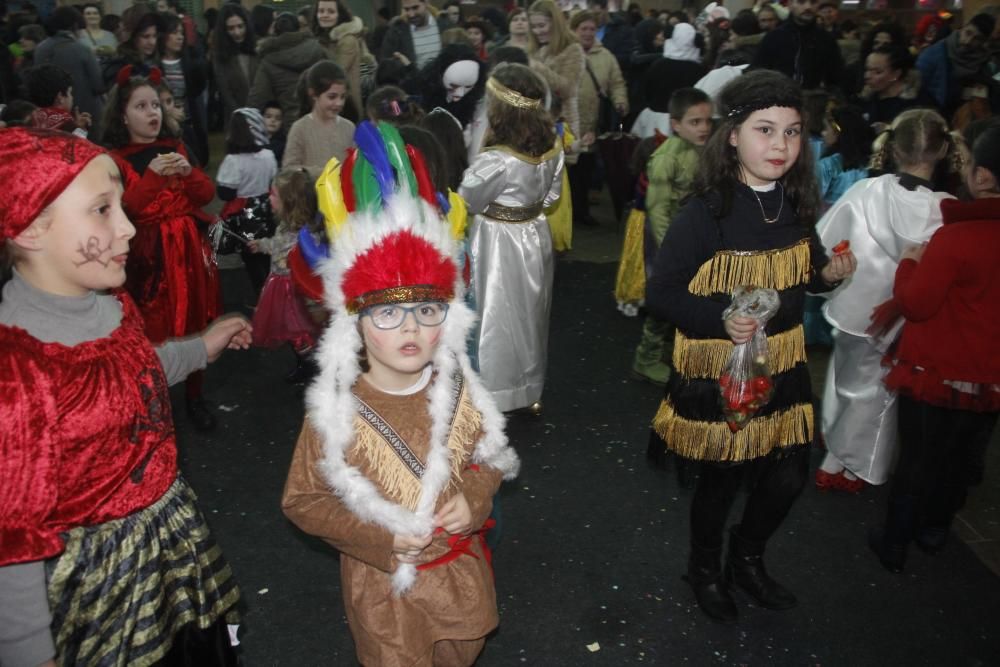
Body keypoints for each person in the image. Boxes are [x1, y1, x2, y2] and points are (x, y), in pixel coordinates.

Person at [0, 126, 249, 667]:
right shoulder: (16, 372)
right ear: (30, 227)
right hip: (99, 588)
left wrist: (201, 348)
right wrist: (27, 653)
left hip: (166, 548)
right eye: (102, 210)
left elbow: (134, 371)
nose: (128, 227)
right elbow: (11, 540)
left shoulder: (113, 304)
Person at [281, 125, 519, 665]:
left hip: (460, 580)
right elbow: (303, 501)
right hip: (386, 592)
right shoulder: (334, 415)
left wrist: (476, 498)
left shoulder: (461, 392)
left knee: (462, 652)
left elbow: (491, 458)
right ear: (354, 324)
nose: (410, 329)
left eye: (427, 311)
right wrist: (379, 538)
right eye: (388, 313)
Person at [645, 70, 856, 623]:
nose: (780, 145)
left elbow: (803, 275)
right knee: (722, 479)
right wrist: (720, 321)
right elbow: (661, 292)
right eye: (765, 130)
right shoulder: (704, 213)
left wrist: (829, 275)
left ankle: (747, 558)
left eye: (791, 132)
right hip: (719, 371)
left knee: (787, 475)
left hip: (783, 363)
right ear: (733, 135)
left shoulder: (793, 202)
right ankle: (705, 568)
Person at [869, 126, 1000, 573]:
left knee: (919, 458)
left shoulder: (954, 237)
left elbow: (916, 304)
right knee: (961, 458)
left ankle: (894, 540)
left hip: (935, 367)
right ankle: (935, 529)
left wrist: (908, 261)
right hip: (990, 376)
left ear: (981, 176)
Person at [816, 109, 958, 493]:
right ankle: (860, 465)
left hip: (853, 306)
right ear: (944, 149)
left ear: (892, 148)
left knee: (845, 375)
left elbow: (825, 240)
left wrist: (827, 279)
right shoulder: (945, 209)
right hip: (902, 315)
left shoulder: (865, 191)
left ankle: (835, 448)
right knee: (881, 389)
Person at [101, 69, 224, 432]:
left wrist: (189, 173)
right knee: (154, 326)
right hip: (148, 254)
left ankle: (195, 396)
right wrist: (154, 176)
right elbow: (128, 210)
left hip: (189, 248)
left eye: (155, 104)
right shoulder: (115, 159)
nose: (152, 112)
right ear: (123, 115)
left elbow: (204, 195)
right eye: (141, 106)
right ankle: (156, 401)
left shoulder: (176, 147)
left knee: (195, 321)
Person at [459, 63, 563, 413]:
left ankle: (492, 392)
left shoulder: (495, 160)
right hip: (535, 235)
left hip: (496, 242)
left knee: (496, 314)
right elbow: (551, 198)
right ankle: (529, 389)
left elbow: (467, 201)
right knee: (532, 314)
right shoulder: (552, 147)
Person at [631, 87, 712, 387]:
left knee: (689, 294)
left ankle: (670, 348)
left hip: (691, 235)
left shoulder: (702, 150)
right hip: (667, 238)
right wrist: (670, 250)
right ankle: (646, 358)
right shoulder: (667, 157)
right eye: (695, 122)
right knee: (666, 297)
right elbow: (657, 208)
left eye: (706, 121)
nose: (703, 128)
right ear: (676, 124)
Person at [247, 166, 319, 382]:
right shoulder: (286, 227)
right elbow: (277, 245)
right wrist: (261, 245)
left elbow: (291, 253)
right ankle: (304, 364)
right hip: (281, 287)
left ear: (289, 201)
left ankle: (313, 369)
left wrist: (266, 246)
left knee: (301, 333)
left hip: (294, 292)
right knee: (293, 333)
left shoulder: (304, 234)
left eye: (274, 194)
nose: (270, 198)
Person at [571, 10, 628, 227]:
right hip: (566, 124)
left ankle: (581, 211)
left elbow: (617, 83)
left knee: (585, 170)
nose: (587, 33)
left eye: (592, 29)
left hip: (592, 124)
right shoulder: (564, 54)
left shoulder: (606, 56)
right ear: (573, 30)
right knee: (566, 172)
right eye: (583, 28)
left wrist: (620, 101)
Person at [216, 107, 279, 296]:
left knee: (250, 255)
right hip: (266, 210)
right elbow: (273, 180)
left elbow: (225, 193)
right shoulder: (268, 155)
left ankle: (259, 292)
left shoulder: (232, 160)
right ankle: (273, 288)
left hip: (244, 214)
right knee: (267, 252)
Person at [33, 6, 104, 136]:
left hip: (49, 117)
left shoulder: (40, 49)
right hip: (84, 114)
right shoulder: (82, 49)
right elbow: (98, 85)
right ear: (75, 25)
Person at [527, 0, 584, 156]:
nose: (537, 31)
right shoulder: (534, 50)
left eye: (542, 25)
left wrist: (537, 67)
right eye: (533, 27)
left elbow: (568, 89)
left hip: (562, 128)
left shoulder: (573, 49)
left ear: (555, 23)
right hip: (535, 128)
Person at [248, 12, 325, 125]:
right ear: (299, 29)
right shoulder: (318, 49)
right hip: (321, 117)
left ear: (275, 32)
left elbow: (257, 98)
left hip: (292, 122)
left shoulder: (269, 60)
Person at [916, 13, 996, 119]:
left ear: (983, 42)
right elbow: (916, 91)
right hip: (936, 117)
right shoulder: (932, 55)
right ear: (963, 28)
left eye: (977, 39)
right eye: (968, 33)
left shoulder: (984, 61)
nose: (968, 41)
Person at [283, 59, 356, 174]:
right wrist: (322, 173)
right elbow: (289, 169)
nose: (339, 103)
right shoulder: (300, 128)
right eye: (332, 97)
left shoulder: (349, 127)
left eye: (342, 97)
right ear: (313, 94)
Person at [753, 0, 843, 90]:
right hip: (777, 98)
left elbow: (837, 78)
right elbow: (757, 74)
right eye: (801, 1)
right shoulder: (773, 37)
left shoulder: (826, 39)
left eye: (813, 2)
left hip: (814, 99)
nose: (808, 7)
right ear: (790, 4)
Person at [312, 0, 368, 121]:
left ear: (340, 15)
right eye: (321, 11)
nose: (324, 15)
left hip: (346, 105)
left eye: (331, 11)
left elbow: (336, 71)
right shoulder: (323, 37)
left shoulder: (348, 40)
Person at [213, 4, 257, 126]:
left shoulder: (257, 50)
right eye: (231, 28)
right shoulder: (220, 56)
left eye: (240, 26)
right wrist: (241, 116)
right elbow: (226, 93)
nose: (237, 32)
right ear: (224, 30)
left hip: (261, 116)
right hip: (237, 119)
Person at [857, 44, 920, 130]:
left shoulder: (916, 106)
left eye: (877, 72)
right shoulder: (865, 100)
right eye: (867, 69)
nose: (867, 76)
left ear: (896, 74)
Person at [380, 0, 453, 71]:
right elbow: (386, 65)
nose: (411, 14)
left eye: (415, 8)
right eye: (406, 9)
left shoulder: (445, 25)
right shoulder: (396, 32)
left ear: (426, 3)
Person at [23, 63, 91, 135]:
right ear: (60, 97)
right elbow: (78, 144)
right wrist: (81, 129)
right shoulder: (67, 124)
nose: (72, 97)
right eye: (70, 93)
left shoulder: (28, 119)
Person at [262, 99, 287, 164]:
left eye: (278, 118)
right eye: (268, 117)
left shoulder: (283, 144)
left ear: (282, 122)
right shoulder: (255, 139)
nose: (273, 120)